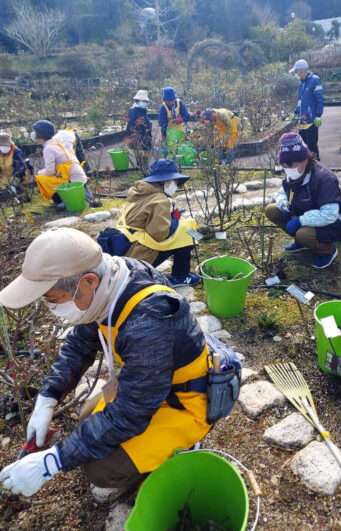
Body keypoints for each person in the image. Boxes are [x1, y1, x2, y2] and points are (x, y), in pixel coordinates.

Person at [0, 228, 226, 501]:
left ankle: (185, 446)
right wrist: (49, 396)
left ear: (88, 281)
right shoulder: (112, 282)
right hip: (153, 386)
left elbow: (132, 412)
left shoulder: (148, 321)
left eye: (53, 299)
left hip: (183, 400)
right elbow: (81, 343)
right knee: (86, 416)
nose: (51, 308)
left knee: (100, 470)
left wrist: (54, 461)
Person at [109, 159, 200, 286]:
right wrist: (175, 222)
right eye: (175, 183)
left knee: (183, 227)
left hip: (126, 249)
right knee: (186, 232)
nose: (177, 186)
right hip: (139, 255)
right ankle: (180, 276)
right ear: (166, 182)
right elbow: (159, 234)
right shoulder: (160, 200)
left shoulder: (141, 194)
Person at [265, 133, 341, 269]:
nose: (288, 169)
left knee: (303, 234)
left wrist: (300, 221)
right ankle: (301, 242)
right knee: (272, 210)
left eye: (292, 165)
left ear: (305, 159)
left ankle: (326, 250)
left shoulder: (324, 178)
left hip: (333, 224)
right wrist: (283, 203)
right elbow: (282, 192)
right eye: (285, 165)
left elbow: (329, 214)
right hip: (306, 216)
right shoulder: (295, 173)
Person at [31, 120, 93, 209]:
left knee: (41, 178)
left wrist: (40, 172)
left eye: (35, 132)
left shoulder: (48, 148)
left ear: (40, 134)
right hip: (77, 176)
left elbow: (50, 171)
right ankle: (80, 197)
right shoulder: (56, 141)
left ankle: (62, 201)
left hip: (71, 179)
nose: (33, 134)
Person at [290, 59, 324, 159]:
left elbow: (320, 99)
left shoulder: (314, 80)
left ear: (302, 71)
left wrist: (318, 115)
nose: (296, 74)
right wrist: (296, 113)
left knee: (312, 144)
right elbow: (300, 101)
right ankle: (307, 166)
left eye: (296, 72)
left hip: (312, 119)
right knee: (303, 144)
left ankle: (315, 165)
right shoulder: (302, 84)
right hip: (302, 120)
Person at [125, 92, 152, 170]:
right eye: (144, 101)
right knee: (139, 149)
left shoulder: (142, 109)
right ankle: (140, 165)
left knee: (146, 148)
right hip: (138, 133)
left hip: (145, 132)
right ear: (138, 101)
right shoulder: (133, 110)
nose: (145, 103)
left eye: (146, 101)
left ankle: (145, 165)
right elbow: (132, 123)